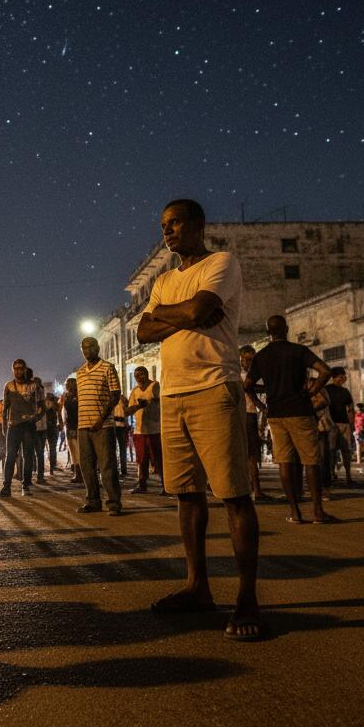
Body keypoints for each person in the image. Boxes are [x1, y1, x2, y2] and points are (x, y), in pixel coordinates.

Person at [138, 198, 266, 640]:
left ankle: (247, 598)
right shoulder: (164, 279)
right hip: (172, 394)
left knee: (234, 495)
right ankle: (198, 587)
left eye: (175, 223)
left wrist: (173, 315)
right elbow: (143, 329)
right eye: (163, 225)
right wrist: (187, 312)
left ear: (197, 224)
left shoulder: (222, 262)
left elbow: (188, 313)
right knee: (186, 496)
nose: (168, 231)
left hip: (215, 387)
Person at [246, 315, 335, 524]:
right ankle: (317, 511)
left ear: (268, 332)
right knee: (310, 461)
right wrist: (312, 391)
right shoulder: (298, 351)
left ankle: (295, 512)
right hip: (300, 412)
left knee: (284, 462)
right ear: (286, 329)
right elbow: (325, 371)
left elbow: (248, 385)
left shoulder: (261, 356)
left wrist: (264, 399)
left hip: (276, 414)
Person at [75, 337, 124, 515]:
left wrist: (101, 419)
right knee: (87, 466)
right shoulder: (80, 372)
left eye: (90, 347)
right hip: (83, 426)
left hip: (103, 426)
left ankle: (114, 503)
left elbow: (115, 394)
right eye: (84, 348)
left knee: (107, 465)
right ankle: (93, 501)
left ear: (97, 348)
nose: (87, 351)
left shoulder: (107, 367)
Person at [0, 359, 42, 497]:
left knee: (28, 456)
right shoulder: (9, 386)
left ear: (25, 369)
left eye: (21, 368)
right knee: (10, 457)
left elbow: (42, 407)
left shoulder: (34, 386)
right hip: (13, 427)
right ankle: (6, 488)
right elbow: (5, 408)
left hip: (29, 427)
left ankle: (26, 485)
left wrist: (35, 418)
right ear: (13, 370)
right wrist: (4, 427)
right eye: (16, 368)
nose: (18, 371)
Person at [126, 366, 163, 493]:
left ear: (146, 374)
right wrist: (138, 406)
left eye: (141, 374)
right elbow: (128, 410)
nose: (138, 378)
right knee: (141, 459)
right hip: (140, 430)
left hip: (155, 429)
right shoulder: (135, 391)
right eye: (136, 376)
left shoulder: (155, 386)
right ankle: (142, 484)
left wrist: (152, 402)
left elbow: (162, 402)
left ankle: (166, 485)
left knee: (157, 459)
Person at [239, 346, 266, 500]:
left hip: (248, 415)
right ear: (241, 358)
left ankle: (252, 488)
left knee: (249, 454)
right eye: (246, 359)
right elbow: (249, 390)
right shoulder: (241, 375)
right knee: (251, 455)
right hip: (247, 415)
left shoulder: (250, 375)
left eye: (251, 360)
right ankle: (257, 490)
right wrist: (261, 406)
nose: (248, 362)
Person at [325, 367, 356, 487]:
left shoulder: (345, 391)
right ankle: (332, 475)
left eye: (344, 376)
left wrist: (351, 423)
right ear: (334, 377)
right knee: (331, 451)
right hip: (331, 424)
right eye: (342, 376)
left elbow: (350, 408)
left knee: (346, 451)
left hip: (344, 424)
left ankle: (348, 476)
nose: (344, 378)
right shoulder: (326, 389)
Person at [41, 393, 61, 476]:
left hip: (46, 428)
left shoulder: (44, 405)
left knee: (44, 449)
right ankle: (52, 467)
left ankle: (50, 467)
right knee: (52, 448)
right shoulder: (55, 406)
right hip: (51, 428)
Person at [112, 394, 130, 476]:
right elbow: (127, 411)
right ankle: (123, 469)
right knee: (121, 449)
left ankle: (118, 469)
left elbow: (127, 411)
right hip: (119, 426)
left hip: (115, 426)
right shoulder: (122, 398)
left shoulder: (111, 398)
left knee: (115, 449)